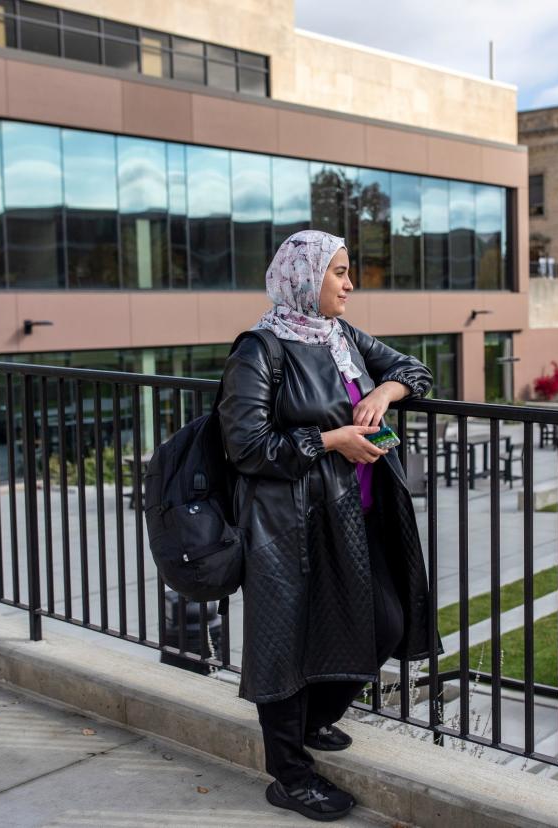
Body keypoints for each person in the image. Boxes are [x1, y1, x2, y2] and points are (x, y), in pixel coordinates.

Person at [218, 229, 439, 821]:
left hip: (353, 517)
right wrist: (331, 439)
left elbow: (413, 369)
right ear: (305, 278)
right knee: (287, 644)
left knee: (387, 622)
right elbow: (246, 445)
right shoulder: (259, 350)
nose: (349, 283)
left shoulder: (340, 336)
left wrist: (385, 393)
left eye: (347, 271)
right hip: (289, 525)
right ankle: (288, 776)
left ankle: (315, 720)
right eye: (339, 272)